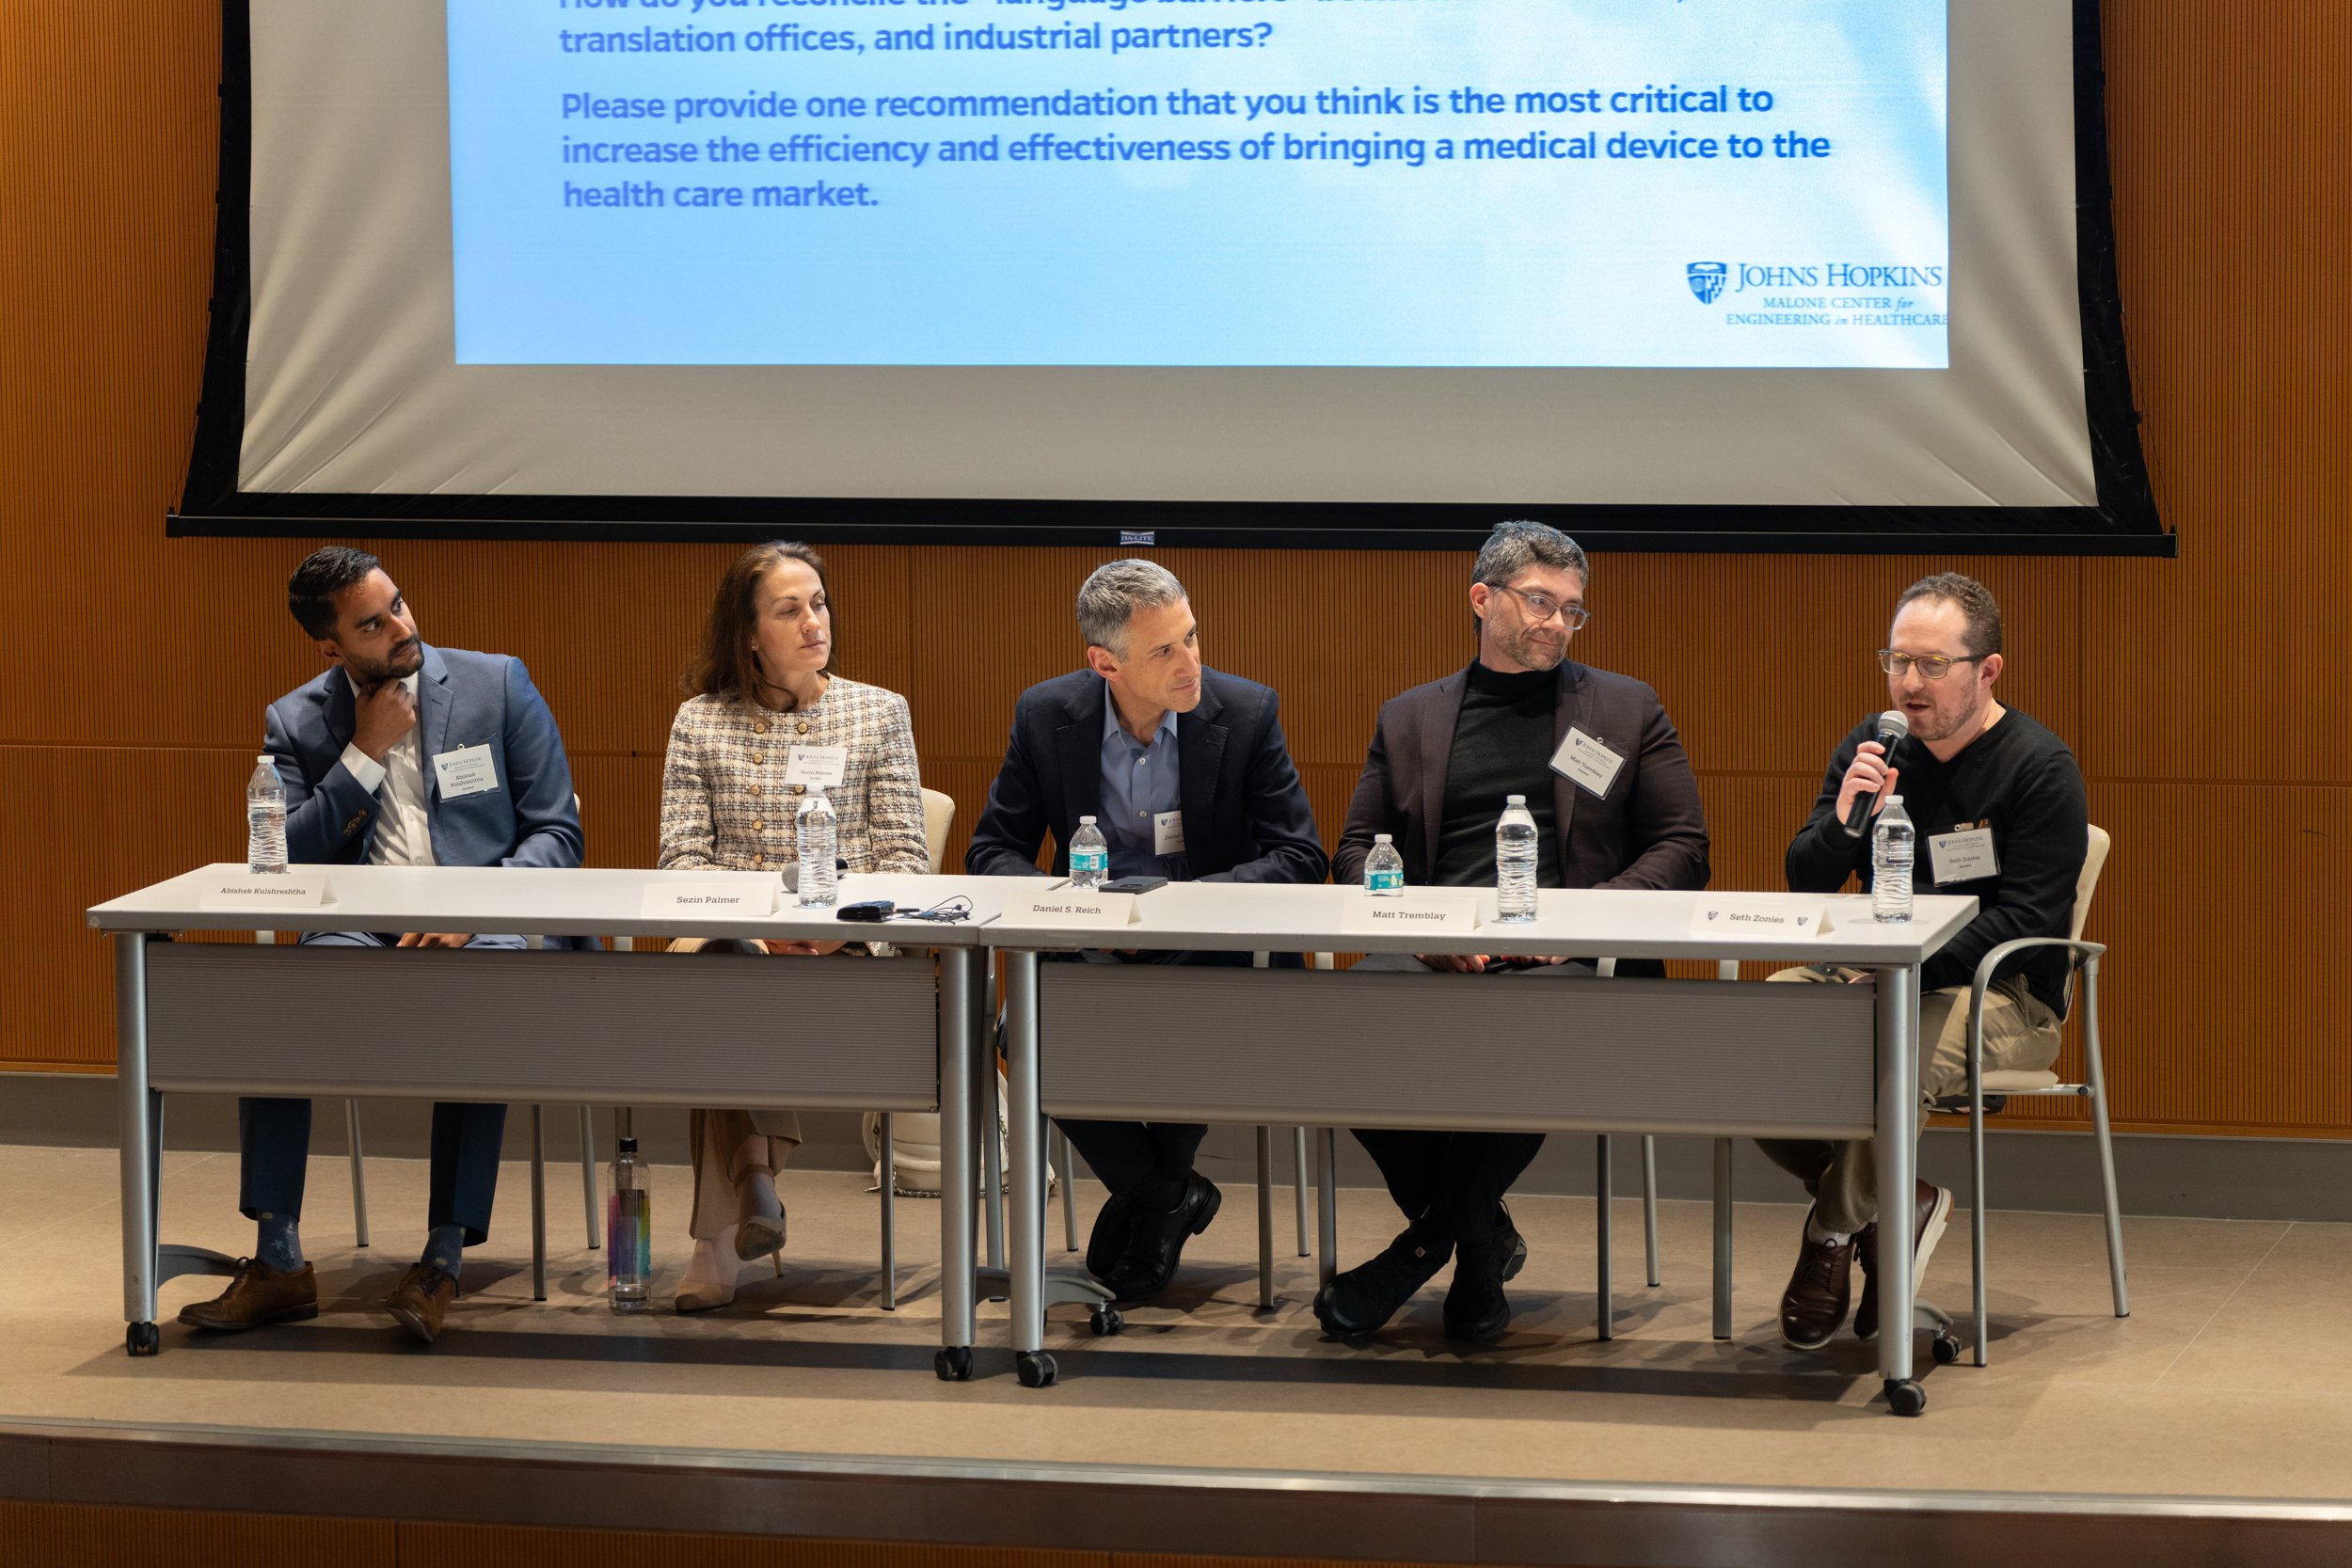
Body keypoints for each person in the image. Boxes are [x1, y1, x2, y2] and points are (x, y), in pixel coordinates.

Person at [178, 546, 583, 1346]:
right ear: (330, 648)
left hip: (485, 916)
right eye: (373, 622)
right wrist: (362, 755)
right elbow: (284, 856)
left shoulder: (497, 683)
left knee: (485, 988)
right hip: (359, 920)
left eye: (399, 603)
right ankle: (280, 1258)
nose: (402, 627)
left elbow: (559, 835)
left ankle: (441, 1258)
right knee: (283, 994)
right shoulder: (295, 719)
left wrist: (474, 904)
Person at [1325, 520, 1708, 1343]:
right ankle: (1480, 1236)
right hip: (1439, 948)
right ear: (1482, 599)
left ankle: (1431, 1250)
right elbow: (1354, 851)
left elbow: (1683, 848)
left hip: (1570, 956)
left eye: (1573, 609)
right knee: (1337, 1027)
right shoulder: (1409, 718)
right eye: (1540, 601)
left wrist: (1576, 925)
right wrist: (1424, 930)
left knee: (1532, 1031)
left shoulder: (1622, 706)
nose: (1558, 622)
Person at [966, 559, 1328, 1305]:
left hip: (1211, 948)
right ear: (1106, 663)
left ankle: (1154, 1196)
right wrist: (1072, 905)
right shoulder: (1046, 715)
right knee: (1019, 1032)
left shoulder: (1247, 711)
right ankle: (1165, 1194)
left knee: (1178, 1024)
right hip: (1094, 942)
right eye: (1164, 650)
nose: (1191, 662)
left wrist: (1183, 904)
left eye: (1192, 637)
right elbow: (991, 850)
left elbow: (1299, 856)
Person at [1761, 572, 2086, 1352]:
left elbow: (2030, 919)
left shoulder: (2040, 767)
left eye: (1933, 664)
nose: (1910, 683)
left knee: (1891, 1054)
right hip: (1875, 973)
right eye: (1898, 660)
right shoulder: (1874, 748)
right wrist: (1843, 826)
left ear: (1988, 669)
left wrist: (1907, 963)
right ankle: (1900, 1202)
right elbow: (1805, 877)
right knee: (1759, 1033)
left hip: (2002, 992)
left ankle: (1834, 1232)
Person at [659, 541, 928, 1312]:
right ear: (748, 633)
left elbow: (906, 861)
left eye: (819, 603)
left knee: (720, 985)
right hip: (741, 949)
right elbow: (681, 862)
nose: (814, 623)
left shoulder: (878, 711)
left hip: (851, 961)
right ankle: (745, 1196)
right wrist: (765, 923)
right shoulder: (699, 723)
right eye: (789, 609)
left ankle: (733, 1211)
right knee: (718, 963)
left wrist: (841, 929)